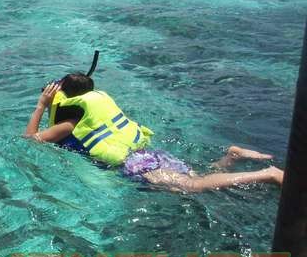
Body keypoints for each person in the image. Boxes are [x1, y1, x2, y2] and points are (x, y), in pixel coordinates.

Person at [24, 73, 284, 192]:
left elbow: (29, 141)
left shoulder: (68, 125)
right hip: (149, 155)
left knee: (191, 186)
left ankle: (267, 175)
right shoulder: (96, 112)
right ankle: (231, 157)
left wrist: (40, 106)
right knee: (200, 177)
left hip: (135, 165)